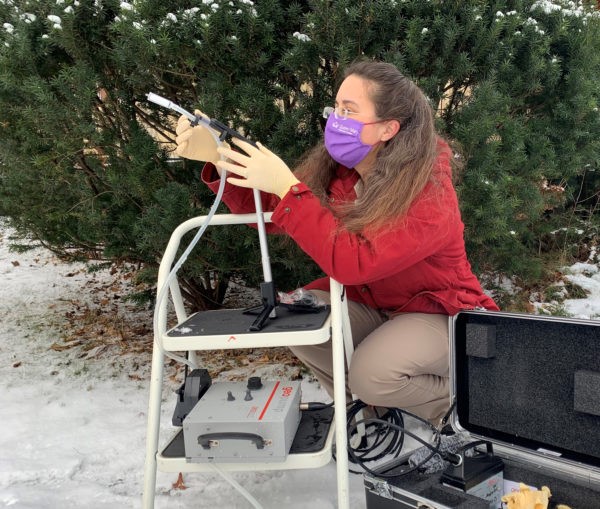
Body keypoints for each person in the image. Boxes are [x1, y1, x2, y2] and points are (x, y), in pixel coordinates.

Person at [175, 60, 498, 426]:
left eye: (349, 110)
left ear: (389, 129)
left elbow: (356, 262)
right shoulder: (342, 174)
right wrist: (221, 159)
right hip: (376, 306)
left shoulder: (429, 190)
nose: (335, 120)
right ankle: (371, 419)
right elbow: (268, 208)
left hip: (441, 313)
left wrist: (288, 190)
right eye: (336, 108)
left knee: (373, 373)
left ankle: (460, 411)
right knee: (293, 320)